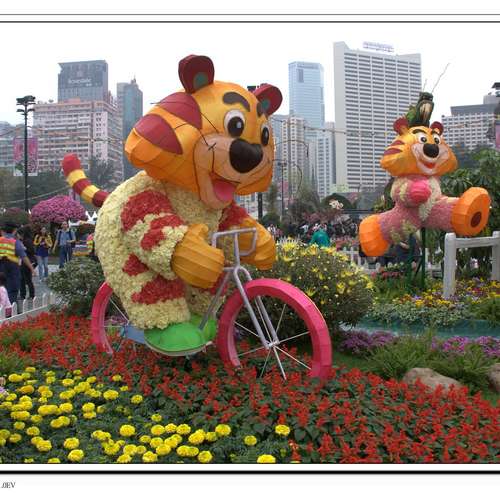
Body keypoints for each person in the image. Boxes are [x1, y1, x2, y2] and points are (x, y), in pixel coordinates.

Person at [0, 222, 34, 304]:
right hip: (12, 267)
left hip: (1, 266)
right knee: (13, 289)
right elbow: (24, 257)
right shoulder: (15, 242)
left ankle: (2, 305)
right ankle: (10, 307)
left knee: (2, 287)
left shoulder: (0, 240)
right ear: (14, 230)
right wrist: (32, 269)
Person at [17, 227, 36, 300]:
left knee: (28, 279)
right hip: (22, 262)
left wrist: (24, 248)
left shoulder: (27, 241)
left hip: (28, 261)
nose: (17, 235)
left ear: (22, 234)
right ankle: (22, 295)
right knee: (22, 279)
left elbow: (32, 251)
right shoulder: (21, 241)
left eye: (18, 234)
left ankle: (31, 295)